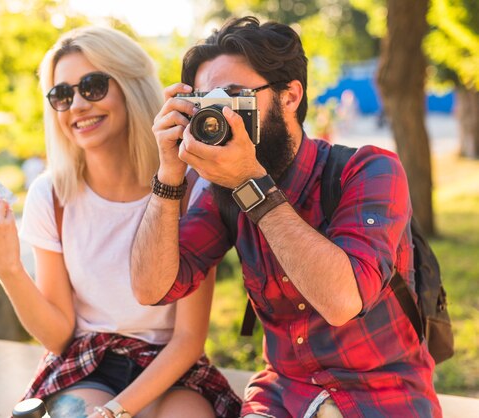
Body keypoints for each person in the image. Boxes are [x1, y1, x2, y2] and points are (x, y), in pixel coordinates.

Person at [130, 16, 442, 418]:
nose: (219, 117)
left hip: (382, 392)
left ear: (290, 96)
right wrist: (169, 175)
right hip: (284, 394)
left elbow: (342, 301)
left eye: (234, 97)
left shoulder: (367, 171)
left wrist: (251, 184)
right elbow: (152, 289)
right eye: (206, 103)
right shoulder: (223, 193)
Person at [0, 26, 240, 418]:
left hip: (173, 369)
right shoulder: (52, 195)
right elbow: (58, 335)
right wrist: (7, 266)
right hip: (87, 366)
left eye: (93, 86)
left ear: (131, 87)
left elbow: (187, 340)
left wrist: (116, 411)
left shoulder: (189, 187)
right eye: (62, 95)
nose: (77, 104)